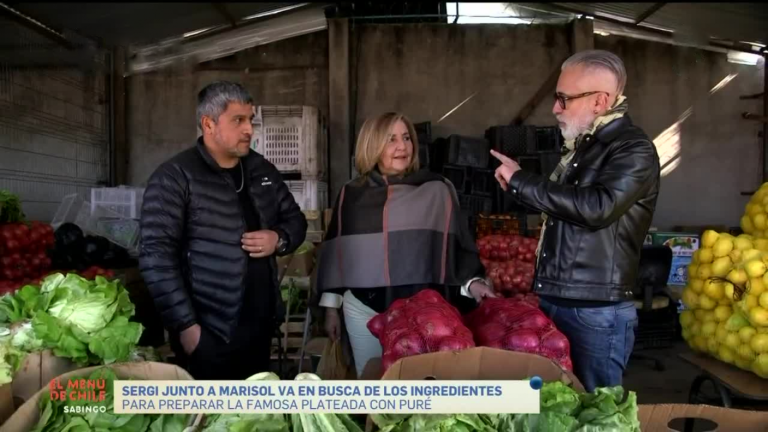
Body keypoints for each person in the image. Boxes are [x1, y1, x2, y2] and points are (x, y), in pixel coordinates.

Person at [491, 50, 660, 391]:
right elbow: (566, 209)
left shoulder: (632, 148)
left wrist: (524, 181)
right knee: (560, 407)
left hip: (596, 312)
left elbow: (597, 207)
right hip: (562, 300)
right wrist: (519, 186)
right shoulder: (584, 148)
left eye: (563, 99)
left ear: (600, 101)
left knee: (597, 412)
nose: (555, 108)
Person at [139, 81, 307, 380]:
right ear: (209, 124)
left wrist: (278, 239)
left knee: (253, 418)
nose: (249, 130)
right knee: (210, 419)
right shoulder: (175, 177)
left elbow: (296, 221)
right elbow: (156, 258)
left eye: (250, 120)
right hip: (209, 332)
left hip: (260, 326)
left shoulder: (260, 170)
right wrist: (187, 327)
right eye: (238, 120)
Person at [317, 112, 496, 377]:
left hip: (424, 312)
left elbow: (455, 249)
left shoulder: (437, 189)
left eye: (406, 138)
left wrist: (474, 283)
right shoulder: (352, 193)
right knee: (372, 383)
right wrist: (331, 308)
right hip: (363, 308)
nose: (402, 146)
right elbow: (339, 254)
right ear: (372, 144)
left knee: (422, 387)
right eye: (391, 139)